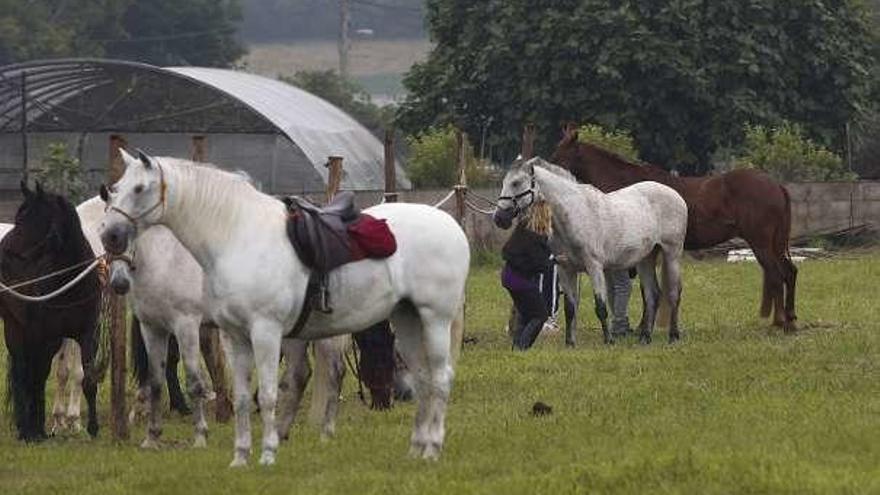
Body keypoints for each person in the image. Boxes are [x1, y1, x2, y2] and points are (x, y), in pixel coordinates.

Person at [501, 201, 554, 350]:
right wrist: (555, 261)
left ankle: (517, 346)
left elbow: (506, 251)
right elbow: (540, 265)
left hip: (508, 276)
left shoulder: (523, 227)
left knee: (525, 313)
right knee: (540, 315)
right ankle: (522, 347)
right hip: (520, 281)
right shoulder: (536, 237)